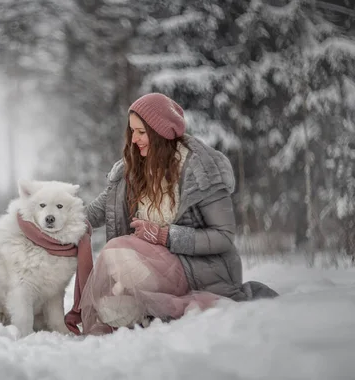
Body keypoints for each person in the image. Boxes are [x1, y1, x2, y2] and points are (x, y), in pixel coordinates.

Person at [65, 93, 278, 335]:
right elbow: (98, 209)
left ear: (160, 132)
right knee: (110, 306)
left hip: (197, 268)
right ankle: (148, 311)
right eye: (132, 131)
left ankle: (177, 306)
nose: (134, 139)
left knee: (115, 251)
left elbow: (223, 236)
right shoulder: (134, 168)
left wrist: (166, 236)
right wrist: (64, 222)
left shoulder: (200, 170)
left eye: (142, 132)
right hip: (149, 261)